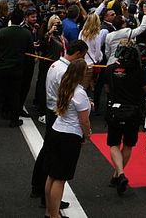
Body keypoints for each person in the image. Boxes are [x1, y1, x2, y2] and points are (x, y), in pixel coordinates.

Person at [30, 40, 87, 208]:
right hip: (60, 116)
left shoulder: (55, 65)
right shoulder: (65, 71)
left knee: (47, 151)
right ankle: (46, 196)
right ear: (77, 55)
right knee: (56, 162)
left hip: (52, 111)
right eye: (82, 57)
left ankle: (39, 187)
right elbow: (70, 97)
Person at [106, 34, 146, 194]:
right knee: (128, 144)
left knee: (114, 144)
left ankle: (119, 173)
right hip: (133, 112)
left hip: (114, 110)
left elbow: (106, 88)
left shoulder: (111, 69)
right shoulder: (140, 71)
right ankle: (118, 174)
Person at [44, 59, 92, 218]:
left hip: (56, 130)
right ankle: (54, 215)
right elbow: (84, 120)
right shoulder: (79, 92)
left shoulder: (65, 86)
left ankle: (49, 211)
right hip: (69, 136)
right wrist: (88, 134)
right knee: (60, 178)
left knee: (52, 174)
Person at [0, 9, 33, 128]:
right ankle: (14, 120)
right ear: (22, 19)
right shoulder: (26, 33)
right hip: (17, 68)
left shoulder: (2, 32)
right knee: (15, 94)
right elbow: (30, 51)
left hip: (2, 66)